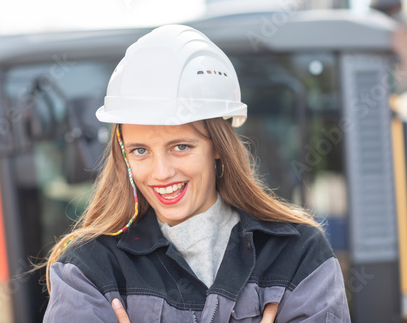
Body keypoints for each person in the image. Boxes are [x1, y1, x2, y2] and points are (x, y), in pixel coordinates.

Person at [43, 25, 351, 322]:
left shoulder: (298, 253)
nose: (161, 173)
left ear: (217, 146)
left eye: (180, 147)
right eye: (140, 151)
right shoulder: (87, 268)